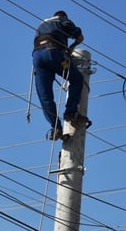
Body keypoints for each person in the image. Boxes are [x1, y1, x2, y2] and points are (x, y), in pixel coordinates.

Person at [32, 11, 88, 140]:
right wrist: (77, 38)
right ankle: (71, 112)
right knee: (77, 78)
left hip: (38, 57)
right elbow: (76, 33)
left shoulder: (42, 23)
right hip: (52, 53)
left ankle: (56, 127)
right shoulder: (61, 20)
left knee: (45, 95)